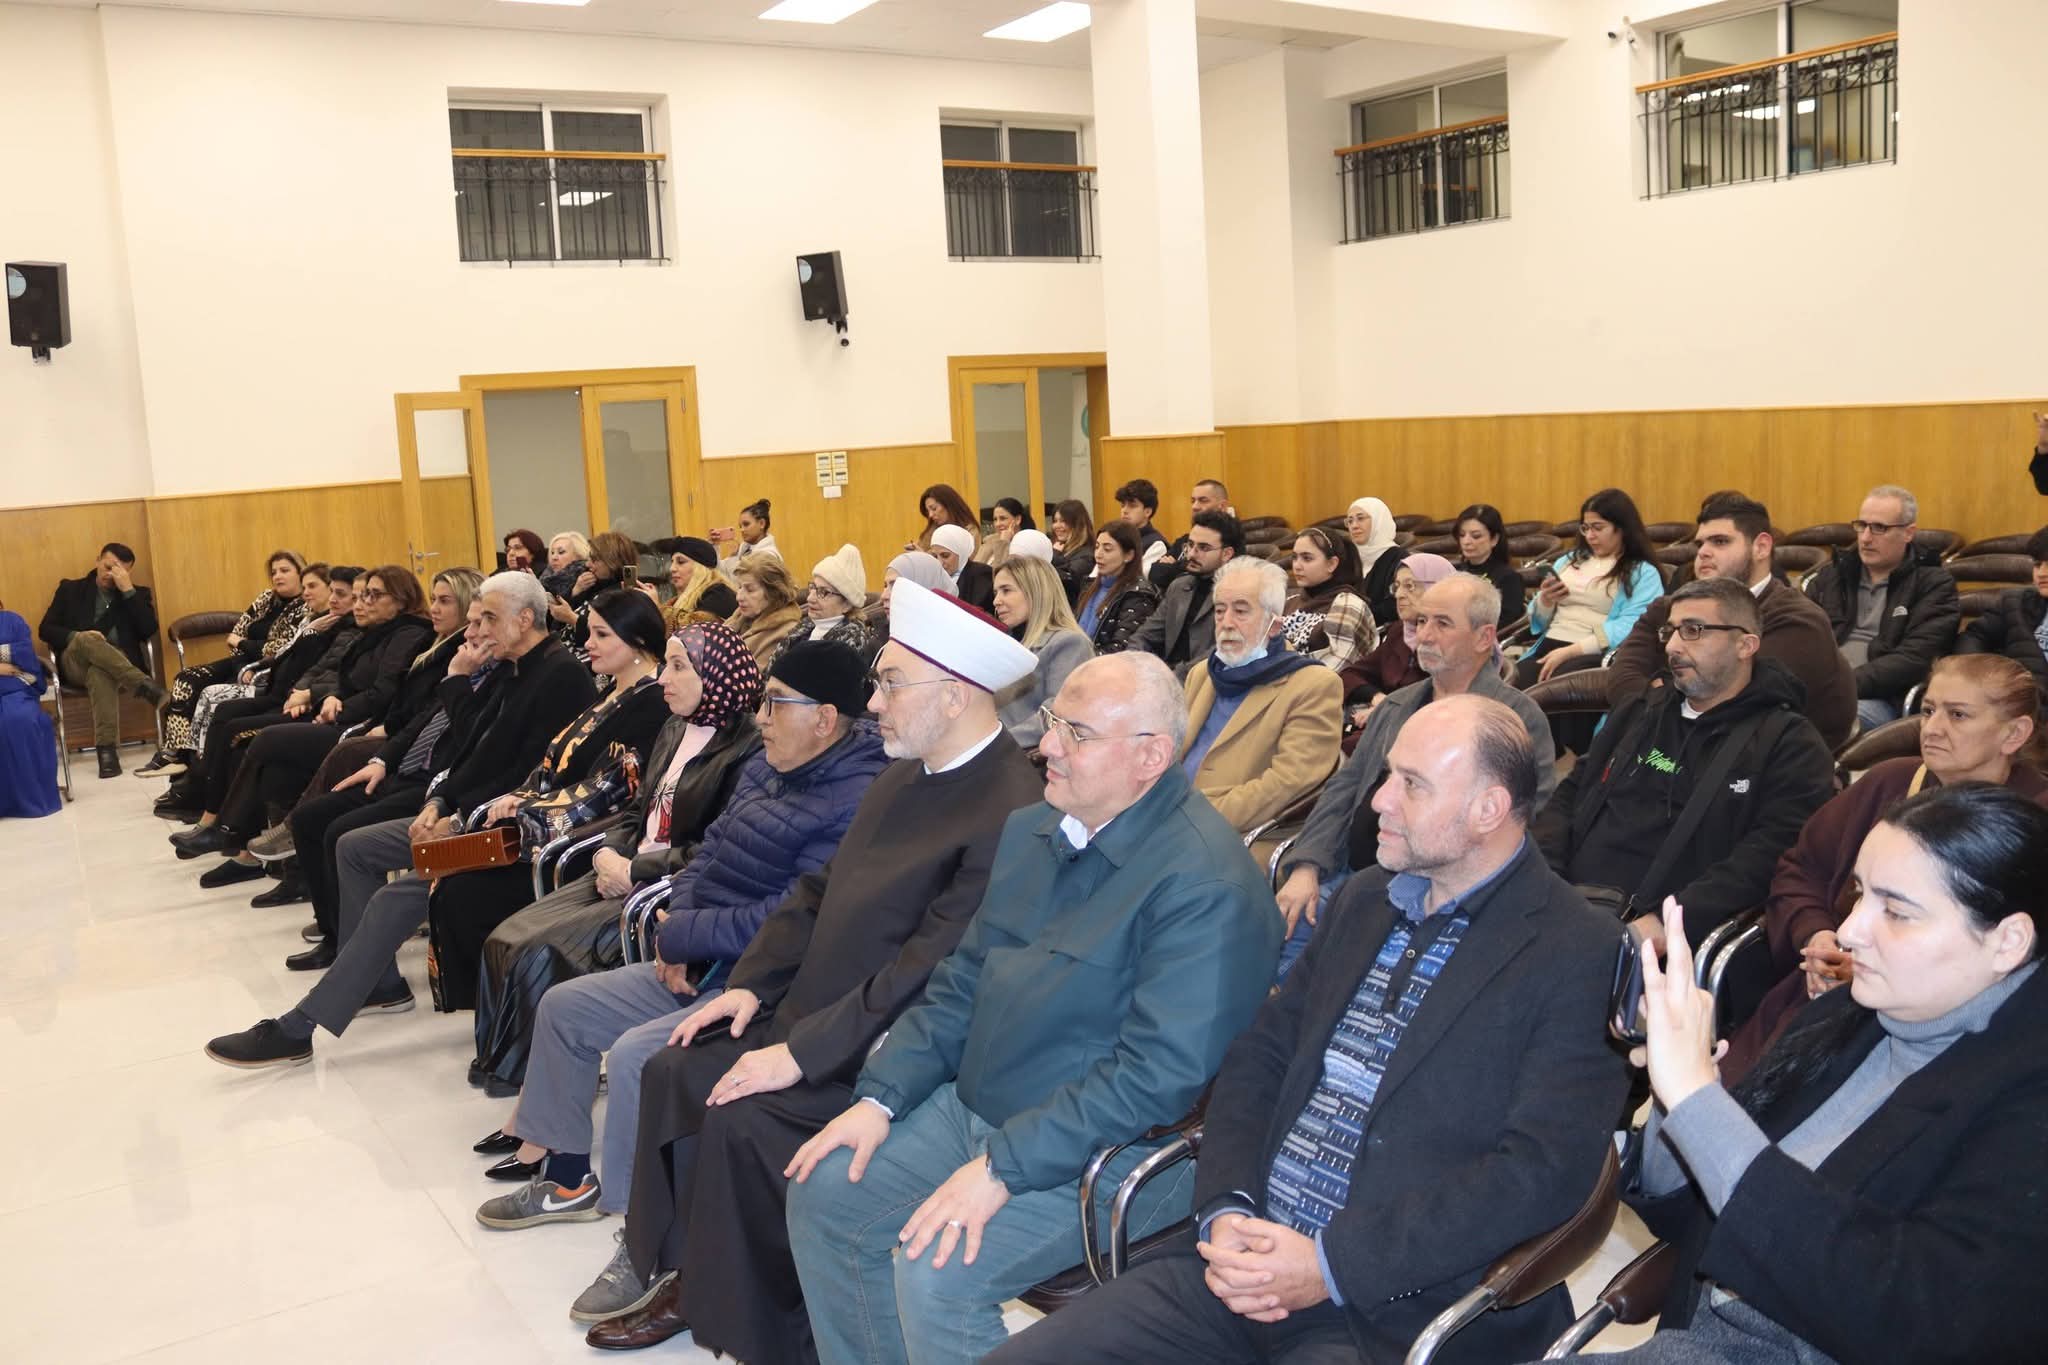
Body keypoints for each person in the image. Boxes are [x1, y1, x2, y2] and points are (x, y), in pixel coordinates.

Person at [988, 695, 1629, 1365]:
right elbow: (1260, 1057)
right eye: (1387, 774)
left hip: (1393, 1309)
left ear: (1488, 809)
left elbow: (1540, 1173)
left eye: (1411, 784)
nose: (1379, 800)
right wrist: (1227, 1207)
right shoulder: (1365, 899)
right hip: (1242, 1257)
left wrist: (1330, 1264)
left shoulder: (1577, 950)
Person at [566, 582, 1050, 1356]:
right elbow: (816, 892)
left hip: (884, 1050)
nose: (873, 704)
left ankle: (770, 1326)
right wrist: (749, 985)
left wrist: (800, 1052)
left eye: (890, 684)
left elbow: (929, 971)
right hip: (811, 1009)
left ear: (954, 696)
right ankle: (688, 1273)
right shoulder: (906, 770)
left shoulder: (1010, 808)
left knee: (742, 1118)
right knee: (675, 1067)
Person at [784, 650, 1283, 1365]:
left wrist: (1002, 1167)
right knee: (826, 1192)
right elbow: (962, 980)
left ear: (1150, 756)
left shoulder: (1206, 886)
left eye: (1077, 733)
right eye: (1054, 721)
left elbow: (1153, 1078)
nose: (1046, 744)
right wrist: (881, 1096)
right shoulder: (1035, 830)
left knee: (936, 1268)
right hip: (985, 1108)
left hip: (1117, 1150)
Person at [1573, 784, 2048, 1365]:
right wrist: (1679, 1096)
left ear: (2008, 942)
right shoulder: (1850, 1014)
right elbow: (1690, 1214)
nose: (1849, 930)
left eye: (1896, 912)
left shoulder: (2028, 1095)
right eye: (1859, 894)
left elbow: (1918, 1319)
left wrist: (1698, 1100)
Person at [466, 640, 885, 1218]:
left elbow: (793, 915)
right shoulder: (768, 765)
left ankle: (634, 1224)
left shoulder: (858, 797)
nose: (761, 718)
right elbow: (706, 854)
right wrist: (678, 930)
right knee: (565, 1008)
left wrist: (687, 937)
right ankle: (567, 1179)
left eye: (776, 703)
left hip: (763, 982)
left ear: (825, 718)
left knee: (638, 1055)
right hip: (704, 957)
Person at [202, 570, 598, 1066]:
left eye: (489, 619)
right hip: (470, 812)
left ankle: (302, 1025)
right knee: (356, 846)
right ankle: (377, 982)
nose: (478, 630)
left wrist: (458, 816)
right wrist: (439, 803)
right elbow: (475, 752)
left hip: (514, 832)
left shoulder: (559, 675)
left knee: (399, 893)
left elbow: (529, 776)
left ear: (524, 619)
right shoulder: (516, 666)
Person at [1721, 653, 2048, 1081]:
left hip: (1951, 1037)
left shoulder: (2035, 824)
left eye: (1958, 715)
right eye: (1928, 710)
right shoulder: (1888, 781)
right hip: (1817, 1000)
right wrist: (1817, 936)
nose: (1932, 728)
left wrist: (1877, 966)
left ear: (2014, 733)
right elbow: (1801, 870)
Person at [468, 620, 763, 1092]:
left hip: (663, 885)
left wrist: (634, 868)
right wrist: (608, 853)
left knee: (536, 952)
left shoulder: (749, 748)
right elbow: (636, 809)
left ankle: (520, 1076)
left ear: (716, 675)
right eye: (666, 665)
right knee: (505, 937)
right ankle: (501, 1065)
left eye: (678, 667)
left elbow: (715, 847)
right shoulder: (674, 727)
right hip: (623, 868)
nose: (663, 679)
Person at [1276, 574, 1555, 979]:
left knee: (1327, 976)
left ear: (1484, 637)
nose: (1424, 635)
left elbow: (1521, 821)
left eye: (1442, 623)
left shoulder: (1516, 720)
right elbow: (1345, 788)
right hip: (1346, 873)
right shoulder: (1397, 705)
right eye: (1422, 621)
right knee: (1279, 940)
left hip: (1430, 889)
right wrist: (1308, 865)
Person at [1534, 576, 1836, 939]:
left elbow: (1767, 857)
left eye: (1693, 630)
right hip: (1562, 902)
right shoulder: (1641, 711)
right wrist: (1543, 880)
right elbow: (1569, 795)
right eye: (1671, 631)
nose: (1673, 646)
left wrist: (1668, 922)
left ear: (1745, 645)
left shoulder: (1790, 744)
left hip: (1660, 932)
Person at [425, 589, 673, 1013]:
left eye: (601, 635)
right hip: (549, 829)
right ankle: (494, 1007)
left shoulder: (652, 702)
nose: (588, 643)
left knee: (465, 894)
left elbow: (613, 789)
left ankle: (503, 1009)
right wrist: (517, 797)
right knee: (450, 880)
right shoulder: (612, 691)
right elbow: (550, 763)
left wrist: (530, 810)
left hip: (588, 841)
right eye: (590, 633)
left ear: (637, 641)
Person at [239, 567, 483, 900]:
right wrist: (320, 689)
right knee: (277, 771)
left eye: (445, 601)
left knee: (276, 742)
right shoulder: (429, 641)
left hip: (406, 751)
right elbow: (332, 672)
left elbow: (406, 702)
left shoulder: (442, 646)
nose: (435, 608)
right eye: (434, 599)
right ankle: (285, 866)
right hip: (377, 729)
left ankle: (246, 835)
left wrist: (372, 727)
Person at [169, 566, 435, 862]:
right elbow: (334, 673)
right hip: (332, 710)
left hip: (358, 725)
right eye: (363, 595)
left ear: (401, 599)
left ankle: (226, 831)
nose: (365, 602)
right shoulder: (376, 632)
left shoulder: (407, 633)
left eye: (374, 595)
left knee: (264, 739)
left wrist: (333, 704)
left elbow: (383, 690)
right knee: (274, 772)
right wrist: (328, 694)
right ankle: (253, 854)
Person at [1608, 493, 1859, 750]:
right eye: (1700, 544)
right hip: (1683, 749)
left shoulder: (1799, 621)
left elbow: (1732, 703)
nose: (1703, 553)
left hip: (1771, 762)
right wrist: (1670, 697)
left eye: (1720, 542)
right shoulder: (1669, 608)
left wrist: (1658, 689)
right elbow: (1621, 678)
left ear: (1761, 547)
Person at [154, 566, 360, 823]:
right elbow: (296, 660)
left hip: (293, 698)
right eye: (274, 572)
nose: (329, 598)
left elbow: (321, 668)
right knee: (215, 704)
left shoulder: (336, 626)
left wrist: (306, 692)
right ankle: (200, 790)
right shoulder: (308, 616)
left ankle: (213, 811)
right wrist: (297, 679)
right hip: (275, 685)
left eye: (315, 586)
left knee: (232, 724)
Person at [1180, 558, 1343, 867]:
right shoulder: (1203, 674)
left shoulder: (1313, 685)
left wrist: (1194, 816)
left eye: (1241, 611)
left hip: (1240, 837)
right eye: (1220, 610)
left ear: (1274, 624)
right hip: (1173, 818)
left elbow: (1288, 783)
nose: (1227, 622)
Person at [137, 550, 308, 778]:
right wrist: (241, 663)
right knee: (186, 678)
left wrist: (244, 645)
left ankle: (192, 764)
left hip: (265, 669)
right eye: (274, 572)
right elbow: (235, 634)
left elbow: (277, 649)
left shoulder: (303, 607)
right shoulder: (266, 598)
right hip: (241, 662)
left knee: (210, 692)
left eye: (284, 570)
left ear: (300, 572)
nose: (277, 576)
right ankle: (174, 752)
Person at [1804, 484, 1960, 730]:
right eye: (1862, 526)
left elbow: (1914, 659)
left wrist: (1841, 684)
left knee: (1814, 720)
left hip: (1882, 698)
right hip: (1819, 687)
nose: (1866, 538)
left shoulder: (1933, 585)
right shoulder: (1832, 576)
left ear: (1908, 533)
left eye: (1879, 528)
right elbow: (1802, 634)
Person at [38, 541, 165, 776]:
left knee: (100, 672)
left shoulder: (137, 595)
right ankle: (142, 685)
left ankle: (107, 754)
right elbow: (45, 629)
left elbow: (148, 630)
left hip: (117, 663)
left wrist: (128, 591)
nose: (110, 574)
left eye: (119, 570)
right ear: (98, 561)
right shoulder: (70, 590)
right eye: (108, 567)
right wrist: (77, 636)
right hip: (75, 661)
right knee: (88, 640)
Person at [1518, 487, 1665, 686]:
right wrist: (1546, 600)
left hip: (1594, 651)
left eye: (1598, 528)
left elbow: (1634, 624)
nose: (1590, 536)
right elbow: (1537, 621)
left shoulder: (1642, 572)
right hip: (1551, 641)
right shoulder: (1568, 561)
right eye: (1585, 528)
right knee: (1514, 682)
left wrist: (1572, 651)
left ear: (1622, 528)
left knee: (1553, 686)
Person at [1337, 552, 1456, 722]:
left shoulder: (1454, 639)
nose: (1399, 594)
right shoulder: (1399, 631)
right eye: (1397, 586)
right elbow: (1351, 674)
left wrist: (1390, 709)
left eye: (1410, 586)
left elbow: (1443, 700)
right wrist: (1377, 698)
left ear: (1438, 589)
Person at [990, 554, 1093, 747]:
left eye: (1006, 590)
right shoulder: (1008, 642)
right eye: (996, 592)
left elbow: (1059, 716)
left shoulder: (1069, 643)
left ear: (1035, 592)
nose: (996, 601)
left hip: (1028, 755)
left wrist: (994, 743)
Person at [1130, 510, 1244, 679]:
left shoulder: (1239, 594)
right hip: (1163, 677)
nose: (1191, 554)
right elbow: (1144, 636)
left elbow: (1221, 653)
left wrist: (1171, 678)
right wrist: (1135, 664)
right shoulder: (1179, 586)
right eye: (1190, 545)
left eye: (1203, 548)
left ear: (1227, 554)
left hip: (1204, 682)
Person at [1955, 523, 2048, 703]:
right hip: (2015, 705)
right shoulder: (2016, 602)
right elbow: (1974, 636)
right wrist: (1981, 674)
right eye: (2037, 565)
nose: (2042, 573)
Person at [1279, 525, 1374, 674]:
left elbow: (1334, 670)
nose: (1297, 566)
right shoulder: (1291, 601)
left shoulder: (1348, 605)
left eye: (1307, 558)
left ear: (1331, 564)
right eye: (1294, 557)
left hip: (1320, 684)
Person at [0, 608, 61, 818]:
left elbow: (24, 653)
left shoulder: (11, 621)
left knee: (20, 720)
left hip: (14, 687)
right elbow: (11, 653)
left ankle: (32, 797)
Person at [772, 545, 873, 670]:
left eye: (824, 592)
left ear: (847, 604)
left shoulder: (852, 642)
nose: (810, 598)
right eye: (813, 588)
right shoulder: (804, 626)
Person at [1072, 522, 1158, 653]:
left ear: (1129, 555)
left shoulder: (1138, 595)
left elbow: (1121, 649)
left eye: (1107, 549)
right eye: (1097, 547)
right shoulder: (1089, 586)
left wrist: (1077, 658)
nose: (1098, 554)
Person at [1451, 503, 1528, 628]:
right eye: (1462, 535)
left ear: (1494, 539)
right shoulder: (1453, 572)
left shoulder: (1509, 578)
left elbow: (1506, 623)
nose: (1466, 541)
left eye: (1476, 536)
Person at [1149, 479, 1233, 591]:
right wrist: (1184, 566)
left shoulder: (1231, 540)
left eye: (1203, 500)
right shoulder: (1184, 540)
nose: (1195, 506)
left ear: (1222, 506)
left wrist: (1176, 565)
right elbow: (1155, 573)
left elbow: (1209, 574)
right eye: (1193, 501)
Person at [725, 553, 805, 670]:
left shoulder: (785, 634)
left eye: (750, 590)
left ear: (773, 592)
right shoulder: (739, 617)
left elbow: (755, 679)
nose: (739, 597)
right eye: (740, 587)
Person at [1342, 496, 1410, 632]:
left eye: (1360, 518)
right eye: (1350, 521)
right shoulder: (1348, 557)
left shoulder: (1399, 558)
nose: (1354, 526)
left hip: (1384, 632)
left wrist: (1354, 618)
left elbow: (1394, 606)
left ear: (1379, 520)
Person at [872, 551, 953, 652]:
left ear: (922, 588)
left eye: (896, 586)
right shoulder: (883, 637)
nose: (884, 596)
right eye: (885, 586)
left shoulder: (946, 648)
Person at [656, 537, 737, 627]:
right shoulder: (676, 600)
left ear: (700, 568)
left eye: (681, 562)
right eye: (672, 562)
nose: (672, 568)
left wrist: (656, 608)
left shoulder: (719, 593)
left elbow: (696, 629)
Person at [928, 524, 995, 613]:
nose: (939, 562)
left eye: (945, 555)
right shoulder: (933, 577)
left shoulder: (982, 575)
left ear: (961, 552)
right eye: (935, 556)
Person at [1114, 477, 1173, 575]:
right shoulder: (1115, 538)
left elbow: (1139, 577)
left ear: (1147, 512)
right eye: (1123, 505)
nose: (1124, 511)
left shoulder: (1157, 544)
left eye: (1132, 506)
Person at [711, 498, 778, 575]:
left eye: (746, 524)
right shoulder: (744, 550)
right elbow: (722, 573)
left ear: (761, 523)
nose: (742, 530)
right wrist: (714, 546)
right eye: (740, 526)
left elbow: (742, 579)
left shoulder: (768, 556)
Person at [1047, 498, 1096, 598]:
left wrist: (1054, 556)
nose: (1056, 526)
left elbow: (1069, 581)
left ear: (1077, 524)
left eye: (1063, 521)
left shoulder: (1087, 555)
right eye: (1055, 521)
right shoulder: (1058, 549)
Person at [913, 484, 979, 557]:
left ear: (949, 505)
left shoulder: (970, 531)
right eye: (928, 511)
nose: (930, 515)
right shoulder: (932, 529)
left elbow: (959, 560)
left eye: (934, 508)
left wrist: (924, 556)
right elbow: (922, 549)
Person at [974, 497, 1035, 565]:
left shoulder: (1025, 545)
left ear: (1018, 519)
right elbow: (975, 569)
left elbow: (999, 570)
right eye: (995, 519)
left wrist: (1003, 543)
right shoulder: (988, 542)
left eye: (1003, 518)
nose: (998, 524)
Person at [541, 531, 593, 601]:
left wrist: (575, 592)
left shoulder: (586, 577)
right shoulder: (545, 579)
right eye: (552, 552)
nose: (554, 557)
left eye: (561, 552)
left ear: (579, 555)